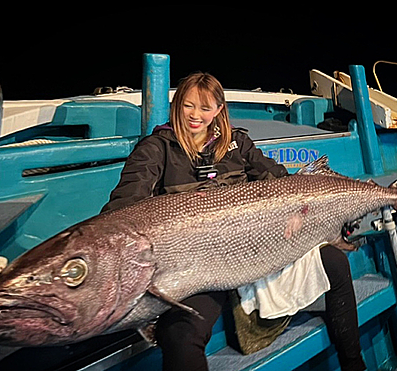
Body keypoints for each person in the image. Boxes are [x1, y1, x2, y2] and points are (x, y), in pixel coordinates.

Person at [101, 72, 366, 371]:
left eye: (205, 108)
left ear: (218, 109)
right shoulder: (157, 147)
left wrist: (311, 216)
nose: (195, 116)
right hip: (196, 268)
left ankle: (354, 363)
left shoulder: (238, 143)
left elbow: (283, 182)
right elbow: (124, 204)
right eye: (188, 106)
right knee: (179, 333)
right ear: (177, 106)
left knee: (335, 262)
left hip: (259, 249)